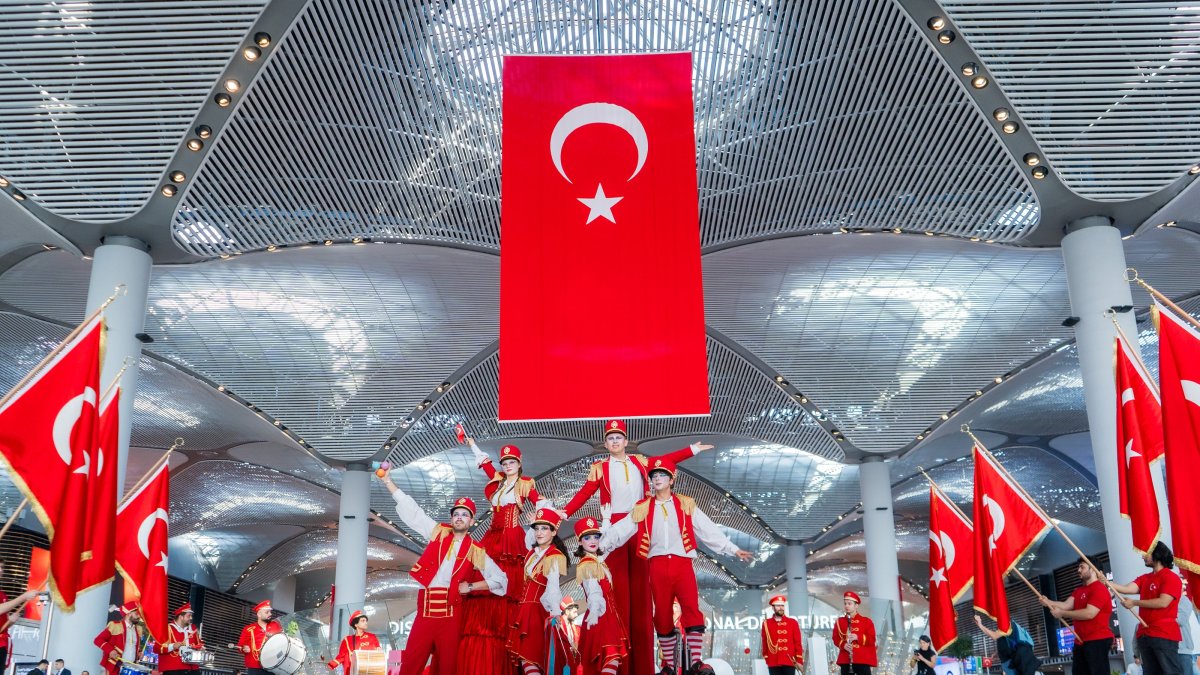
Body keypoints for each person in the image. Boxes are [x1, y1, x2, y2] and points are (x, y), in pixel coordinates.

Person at [559, 420, 713, 675]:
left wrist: (691, 450)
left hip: (642, 525)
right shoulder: (600, 468)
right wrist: (561, 514)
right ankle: (618, 661)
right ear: (606, 443)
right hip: (616, 530)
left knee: (643, 597)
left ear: (626, 440)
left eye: (619, 437)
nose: (615, 442)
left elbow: (665, 461)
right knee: (617, 593)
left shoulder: (640, 462)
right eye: (610, 438)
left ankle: (643, 667)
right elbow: (584, 493)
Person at [600, 456, 754, 675]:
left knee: (691, 607)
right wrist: (602, 544)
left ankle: (696, 662)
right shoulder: (643, 508)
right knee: (662, 613)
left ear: (672, 480)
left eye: (662, 475)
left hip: (683, 564)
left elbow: (707, 529)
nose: (657, 479)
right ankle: (669, 666)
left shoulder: (686, 504)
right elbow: (622, 529)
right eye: (654, 476)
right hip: (657, 565)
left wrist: (732, 548)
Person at [378, 472, 507, 675]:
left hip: (451, 615)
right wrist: (387, 481)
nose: (459, 517)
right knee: (410, 665)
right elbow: (414, 513)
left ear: (472, 521)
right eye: (456, 514)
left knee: (447, 667)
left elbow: (501, 580)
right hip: (426, 610)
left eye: (465, 514)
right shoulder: (438, 532)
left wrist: (471, 586)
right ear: (451, 518)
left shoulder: (475, 550)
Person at [463, 439, 547, 675]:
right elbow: (486, 464)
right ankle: (485, 641)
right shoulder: (498, 481)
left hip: (511, 537)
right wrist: (471, 444)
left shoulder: (526, 484)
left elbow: (540, 502)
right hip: (492, 536)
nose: (508, 465)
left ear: (519, 464)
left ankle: (507, 645)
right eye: (505, 462)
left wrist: (547, 516)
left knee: (508, 588)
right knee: (484, 582)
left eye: (512, 462)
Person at [1112, 542, 1184, 675]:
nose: (1143, 556)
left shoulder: (1171, 577)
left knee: (1170, 672)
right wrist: (1107, 582)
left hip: (1163, 633)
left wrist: (1134, 602)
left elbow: (1163, 602)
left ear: (1158, 554)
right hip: (1145, 634)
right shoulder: (1145, 578)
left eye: (1147, 553)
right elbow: (1127, 589)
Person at [509, 508, 566, 675]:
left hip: (537, 612)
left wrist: (555, 611)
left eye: (545, 528)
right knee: (527, 659)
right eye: (537, 528)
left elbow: (553, 586)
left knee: (531, 657)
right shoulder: (531, 555)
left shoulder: (554, 556)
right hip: (522, 610)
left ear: (554, 531)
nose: (539, 532)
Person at [574, 516, 629, 675]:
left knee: (609, 661)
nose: (592, 541)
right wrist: (596, 609)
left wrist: (606, 523)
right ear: (579, 541)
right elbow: (594, 592)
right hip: (600, 617)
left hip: (609, 618)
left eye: (596, 536)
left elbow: (608, 543)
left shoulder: (597, 561)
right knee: (610, 659)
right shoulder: (587, 564)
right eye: (587, 537)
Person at [1040, 557, 1114, 675]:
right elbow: (1066, 605)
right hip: (1080, 641)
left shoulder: (1100, 589)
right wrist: (1049, 602)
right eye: (1078, 567)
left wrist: (1062, 614)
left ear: (1093, 570)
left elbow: (1089, 613)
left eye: (1082, 567)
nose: (1078, 570)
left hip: (1097, 639)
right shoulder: (1078, 591)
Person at [94, 603, 148, 675]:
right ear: (128, 613)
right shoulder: (115, 625)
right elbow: (98, 640)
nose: (138, 616)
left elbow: (133, 646)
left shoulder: (138, 629)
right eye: (136, 614)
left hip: (130, 667)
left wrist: (139, 653)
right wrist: (110, 650)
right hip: (115, 666)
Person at [974, 616, 1040, 675]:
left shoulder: (1007, 625)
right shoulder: (1005, 626)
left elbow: (994, 636)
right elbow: (1004, 640)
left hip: (1010, 660)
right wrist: (996, 653)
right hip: (1008, 660)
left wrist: (980, 625)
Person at [235, 600, 283, 675]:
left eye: (270, 612)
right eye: (267, 612)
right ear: (259, 614)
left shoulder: (275, 625)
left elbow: (282, 641)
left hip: (273, 666)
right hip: (255, 668)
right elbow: (239, 646)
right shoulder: (248, 629)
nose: (270, 614)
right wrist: (244, 648)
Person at [833, 592, 876, 675]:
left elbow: (872, 639)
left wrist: (858, 637)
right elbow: (835, 638)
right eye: (845, 603)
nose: (846, 606)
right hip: (845, 660)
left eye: (849, 604)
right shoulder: (839, 621)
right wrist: (843, 645)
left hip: (862, 660)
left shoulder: (866, 621)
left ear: (856, 606)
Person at [157, 603, 205, 675]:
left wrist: (200, 648)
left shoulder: (193, 629)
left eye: (191, 616)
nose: (191, 618)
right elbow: (157, 648)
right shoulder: (167, 629)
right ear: (180, 617)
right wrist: (172, 646)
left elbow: (198, 644)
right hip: (173, 669)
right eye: (189, 616)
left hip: (193, 668)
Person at [761, 595, 803, 675]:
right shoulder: (766, 623)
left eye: (782, 605)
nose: (781, 608)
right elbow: (765, 642)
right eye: (778, 605)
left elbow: (797, 643)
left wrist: (799, 660)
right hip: (773, 661)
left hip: (789, 660)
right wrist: (767, 657)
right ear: (773, 608)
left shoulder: (793, 622)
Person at [551, 597, 582, 675]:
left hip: (573, 665)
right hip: (560, 664)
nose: (577, 615)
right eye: (574, 612)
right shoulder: (556, 626)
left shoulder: (577, 629)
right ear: (567, 611)